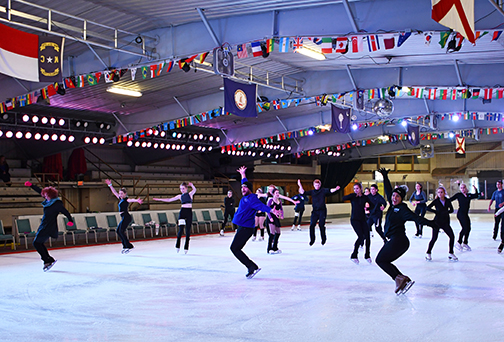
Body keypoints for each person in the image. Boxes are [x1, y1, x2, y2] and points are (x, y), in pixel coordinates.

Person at [375, 168, 437, 295]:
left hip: (399, 241)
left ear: (401, 198)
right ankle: (401, 279)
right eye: (393, 195)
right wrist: (385, 176)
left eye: (397, 196)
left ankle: (400, 279)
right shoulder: (392, 205)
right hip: (394, 240)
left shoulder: (403, 209)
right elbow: (388, 190)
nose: (394, 198)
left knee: (380, 260)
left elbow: (417, 219)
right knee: (383, 261)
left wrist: (432, 224)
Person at [230, 166, 280, 279]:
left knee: (234, 248)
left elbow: (262, 206)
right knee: (236, 249)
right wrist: (243, 174)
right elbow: (245, 182)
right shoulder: (247, 195)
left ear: (249, 189)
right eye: (241, 187)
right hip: (242, 227)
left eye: (244, 188)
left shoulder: (251, 198)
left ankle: (251, 266)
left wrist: (272, 210)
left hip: (246, 228)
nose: (242, 189)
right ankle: (252, 266)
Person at [25, 181, 73, 271]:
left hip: (48, 226)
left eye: (46, 194)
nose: (44, 196)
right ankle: (48, 259)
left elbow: (65, 211)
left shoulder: (56, 204)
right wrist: (31, 185)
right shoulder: (49, 201)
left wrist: (70, 220)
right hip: (44, 224)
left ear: (50, 195)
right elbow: (40, 191)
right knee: (39, 243)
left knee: (36, 243)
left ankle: (47, 260)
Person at [152, 182, 196, 253]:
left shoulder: (190, 194)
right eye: (181, 189)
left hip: (189, 212)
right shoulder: (180, 196)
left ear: (186, 188)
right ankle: (177, 245)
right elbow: (169, 200)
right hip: (182, 212)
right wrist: (159, 199)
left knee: (188, 230)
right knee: (180, 230)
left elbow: (194, 190)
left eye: (183, 188)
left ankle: (186, 247)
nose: (182, 190)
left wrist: (192, 185)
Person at [297, 179, 340, 246]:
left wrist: (336, 189)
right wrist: (300, 185)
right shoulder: (312, 192)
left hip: (322, 211)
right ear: (314, 185)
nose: (317, 186)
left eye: (318, 185)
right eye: (315, 185)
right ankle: (312, 239)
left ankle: (323, 238)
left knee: (321, 225)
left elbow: (330, 190)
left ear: (320, 185)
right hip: (315, 211)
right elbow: (303, 192)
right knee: (312, 225)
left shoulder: (323, 191)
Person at [105, 180, 143, 253]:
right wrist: (110, 185)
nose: (120, 195)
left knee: (121, 231)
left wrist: (136, 201)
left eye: (122, 193)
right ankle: (125, 245)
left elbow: (131, 200)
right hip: (124, 217)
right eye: (120, 193)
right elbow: (114, 192)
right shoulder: (120, 199)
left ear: (125, 194)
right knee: (118, 231)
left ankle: (128, 245)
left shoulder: (126, 199)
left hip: (126, 217)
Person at [343, 183, 373, 264]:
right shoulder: (353, 196)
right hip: (354, 220)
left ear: (361, 189)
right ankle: (354, 255)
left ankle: (367, 255)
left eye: (357, 188)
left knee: (367, 237)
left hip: (363, 219)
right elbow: (343, 198)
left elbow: (372, 205)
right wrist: (352, 195)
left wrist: (368, 207)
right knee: (361, 236)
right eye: (354, 189)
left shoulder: (364, 197)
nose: (355, 190)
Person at [425, 186, 458, 261]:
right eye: (439, 192)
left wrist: (446, 212)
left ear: (444, 193)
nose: (440, 194)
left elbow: (452, 210)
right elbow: (427, 208)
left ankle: (451, 253)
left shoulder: (447, 200)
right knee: (434, 238)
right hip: (437, 222)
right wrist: (436, 212)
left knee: (452, 236)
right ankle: (428, 252)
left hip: (445, 222)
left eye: (441, 192)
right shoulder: (436, 201)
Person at [266, 187, 298, 254]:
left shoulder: (279, 201)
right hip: (271, 218)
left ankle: (275, 247)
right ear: (273, 194)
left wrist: (282, 215)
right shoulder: (271, 200)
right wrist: (270, 217)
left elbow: (281, 208)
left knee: (278, 233)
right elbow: (267, 210)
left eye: (278, 193)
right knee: (272, 233)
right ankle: (269, 248)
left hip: (276, 218)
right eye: (276, 193)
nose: (278, 194)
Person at [451, 183, 481, 251]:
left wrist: (476, 189)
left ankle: (465, 243)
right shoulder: (458, 195)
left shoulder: (468, 195)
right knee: (464, 228)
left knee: (468, 228)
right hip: (460, 214)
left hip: (465, 214)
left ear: (466, 188)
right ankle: (459, 242)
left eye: (464, 187)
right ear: (460, 189)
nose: (463, 189)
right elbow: (450, 200)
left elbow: (476, 195)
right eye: (461, 188)